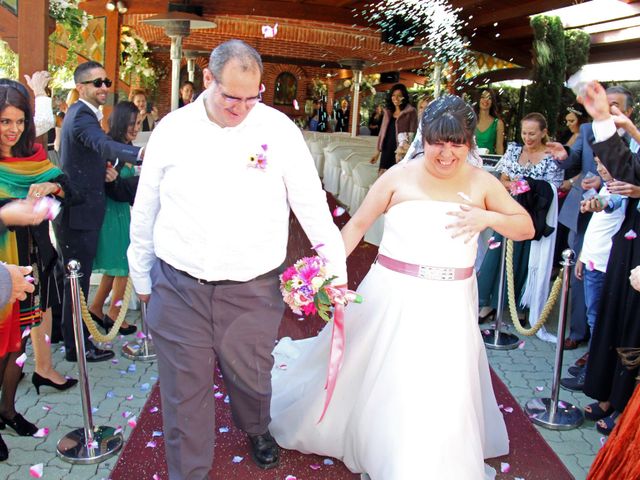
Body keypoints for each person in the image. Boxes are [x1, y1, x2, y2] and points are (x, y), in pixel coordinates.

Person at [271, 95, 533, 479]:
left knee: (439, 385)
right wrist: (324, 269)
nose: (446, 153)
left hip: (451, 302)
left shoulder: (483, 182)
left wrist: (486, 216)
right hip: (393, 294)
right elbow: (357, 225)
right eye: (437, 143)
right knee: (390, 379)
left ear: (468, 143)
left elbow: (525, 226)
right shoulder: (397, 176)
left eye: (456, 143)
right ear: (423, 139)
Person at [127, 39, 347, 479]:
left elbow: (309, 203)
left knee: (251, 376)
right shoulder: (172, 130)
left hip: (252, 286)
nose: (242, 107)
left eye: (253, 97)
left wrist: (335, 268)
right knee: (183, 395)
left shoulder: (279, 130)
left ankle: (255, 426)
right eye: (232, 97)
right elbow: (146, 204)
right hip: (179, 281)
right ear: (207, 79)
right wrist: (141, 272)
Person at [0, 85, 79, 461]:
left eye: (18, 121)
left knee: (17, 343)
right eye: (3, 121)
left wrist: (53, 185)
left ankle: (7, 410)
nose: (11, 130)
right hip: (2, 269)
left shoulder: (32, 154)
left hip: (31, 261)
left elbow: (72, 189)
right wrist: (8, 209)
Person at [53, 61, 142, 364]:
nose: (104, 88)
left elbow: (95, 153)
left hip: (82, 211)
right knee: (76, 282)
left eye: (106, 82)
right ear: (80, 87)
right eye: (96, 83)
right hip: (78, 214)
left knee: (72, 281)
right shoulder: (81, 117)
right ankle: (77, 346)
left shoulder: (85, 115)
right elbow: (102, 144)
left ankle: (68, 338)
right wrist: (141, 154)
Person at [476, 113, 563, 342]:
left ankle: (521, 306)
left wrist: (531, 187)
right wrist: (513, 185)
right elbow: (502, 178)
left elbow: (554, 187)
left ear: (544, 132)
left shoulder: (551, 156)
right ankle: (489, 304)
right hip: (509, 209)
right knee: (497, 255)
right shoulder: (514, 150)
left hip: (534, 214)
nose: (528, 137)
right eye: (525, 133)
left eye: (532, 133)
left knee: (525, 260)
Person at [559, 157, 628, 392]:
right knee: (593, 317)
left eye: (605, 164)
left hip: (604, 266)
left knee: (597, 321)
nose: (599, 169)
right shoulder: (607, 184)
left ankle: (593, 373)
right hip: (591, 261)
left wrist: (599, 201)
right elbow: (596, 227)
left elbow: (610, 203)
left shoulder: (622, 189)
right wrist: (581, 257)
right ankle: (592, 364)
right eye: (597, 163)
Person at [88, 101, 141, 336]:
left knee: (116, 265)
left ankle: (96, 307)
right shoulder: (113, 149)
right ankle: (114, 314)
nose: (136, 128)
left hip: (120, 211)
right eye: (132, 124)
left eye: (138, 123)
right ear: (121, 123)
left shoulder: (127, 147)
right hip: (111, 212)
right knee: (123, 265)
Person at [370, 83, 417, 174]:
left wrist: (407, 153)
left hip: (400, 152)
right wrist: (377, 153)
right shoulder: (388, 113)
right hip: (386, 151)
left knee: (397, 179)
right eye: (393, 95)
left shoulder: (411, 112)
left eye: (399, 96)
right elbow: (382, 134)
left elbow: (413, 134)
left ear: (404, 97)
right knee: (384, 179)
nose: (396, 98)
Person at [474, 88, 505, 155]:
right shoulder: (469, 121)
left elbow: (499, 147)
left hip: (488, 163)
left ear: (492, 102)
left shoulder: (498, 123)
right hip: (470, 162)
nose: (486, 100)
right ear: (478, 99)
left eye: (489, 98)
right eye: (482, 97)